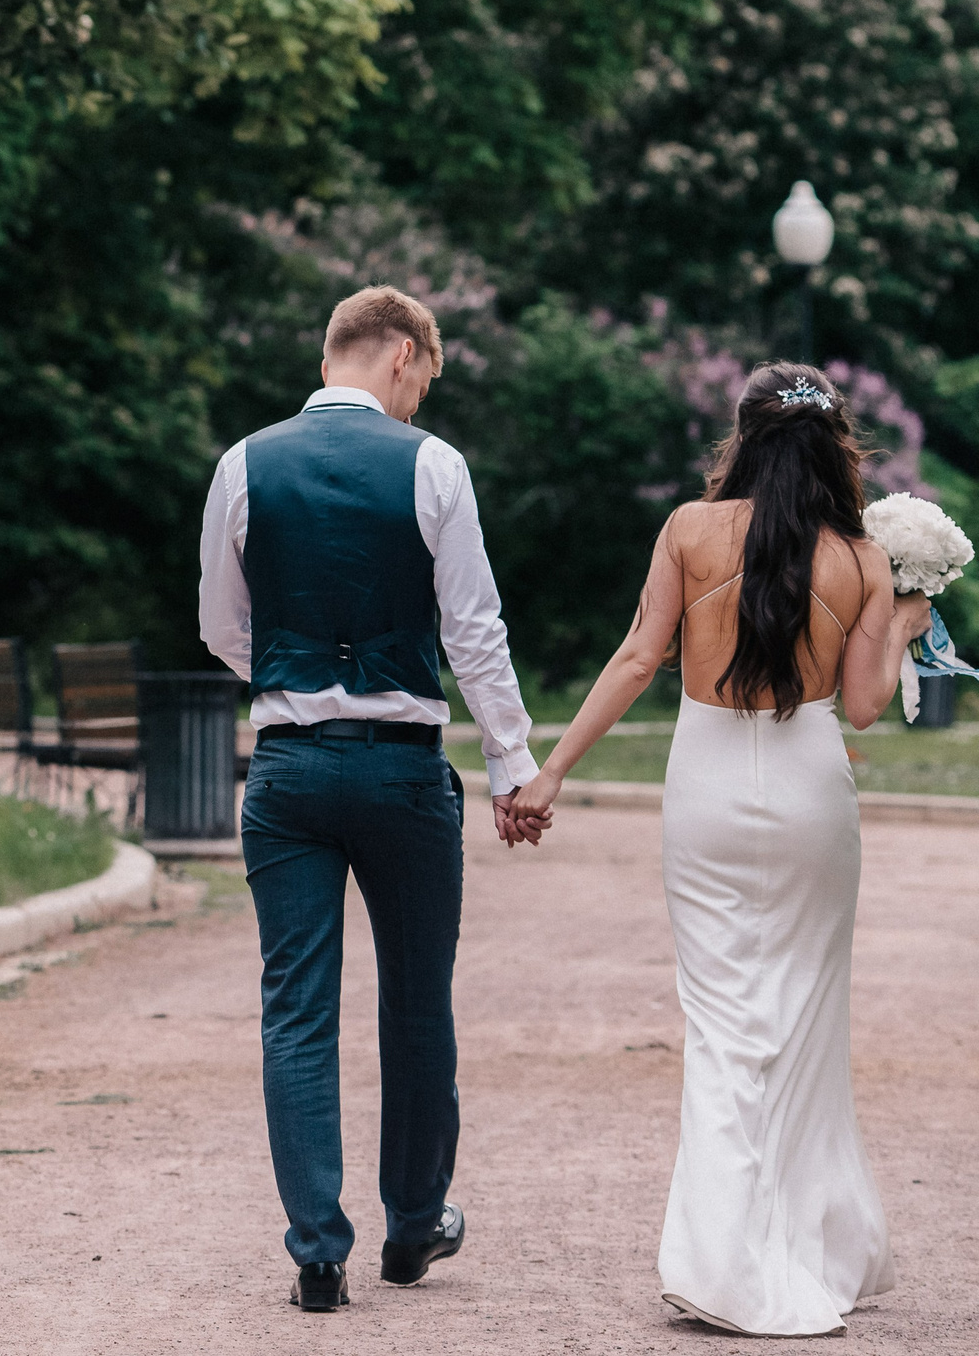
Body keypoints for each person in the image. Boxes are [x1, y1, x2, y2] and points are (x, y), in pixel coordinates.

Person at [505, 362, 927, 1335]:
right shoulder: (859, 556)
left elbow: (635, 655)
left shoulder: (689, 534)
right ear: (834, 449)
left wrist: (552, 771)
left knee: (724, 1019)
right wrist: (904, 620)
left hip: (703, 789)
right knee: (805, 1023)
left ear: (739, 439)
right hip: (811, 790)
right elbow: (863, 704)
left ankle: (721, 1260)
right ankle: (816, 1244)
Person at [199, 285, 538, 1312]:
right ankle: (412, 1226)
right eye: (424, 380)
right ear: (400, 355)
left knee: (294, 1009)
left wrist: (295, 682)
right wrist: (511, 764)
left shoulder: (242, 464)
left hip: (291, 772)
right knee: (414, 1001)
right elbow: (472, 631)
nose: (419, 400)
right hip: (399, 770)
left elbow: (221, 626)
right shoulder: (431, 464)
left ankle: (314, 1249)